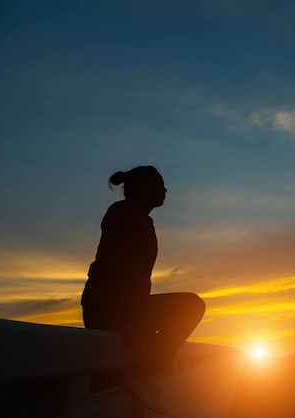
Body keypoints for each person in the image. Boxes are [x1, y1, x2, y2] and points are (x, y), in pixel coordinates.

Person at [81, 165, 205, 414]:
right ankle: (141, 373)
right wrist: (121, 321)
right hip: (114, 308)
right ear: (140, 189)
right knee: (192, 306)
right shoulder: (130, 218)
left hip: (115, 305)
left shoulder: (128, 215)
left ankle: (135, 372)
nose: (165, 189)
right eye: (158, 184)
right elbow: (115, 269)